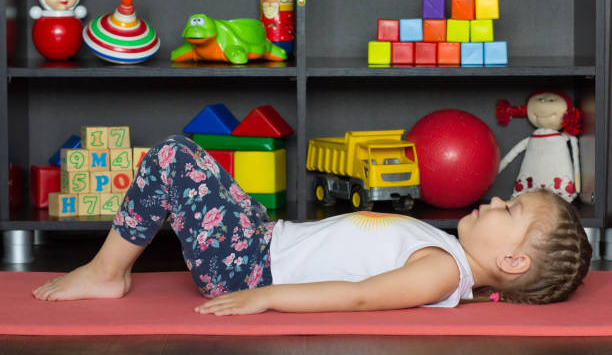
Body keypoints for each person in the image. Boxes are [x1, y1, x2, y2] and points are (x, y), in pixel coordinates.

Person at [32, 135, 592, 315]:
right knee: (197, 165)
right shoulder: (445, 250)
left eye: (510, 212)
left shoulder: (442, 272)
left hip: (249, 269)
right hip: (265, 240)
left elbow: (361, 297)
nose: (496, 201)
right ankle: (111, 266)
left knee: (173, 159)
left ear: (512, 262)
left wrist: (268, 297)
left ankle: (106, 272)